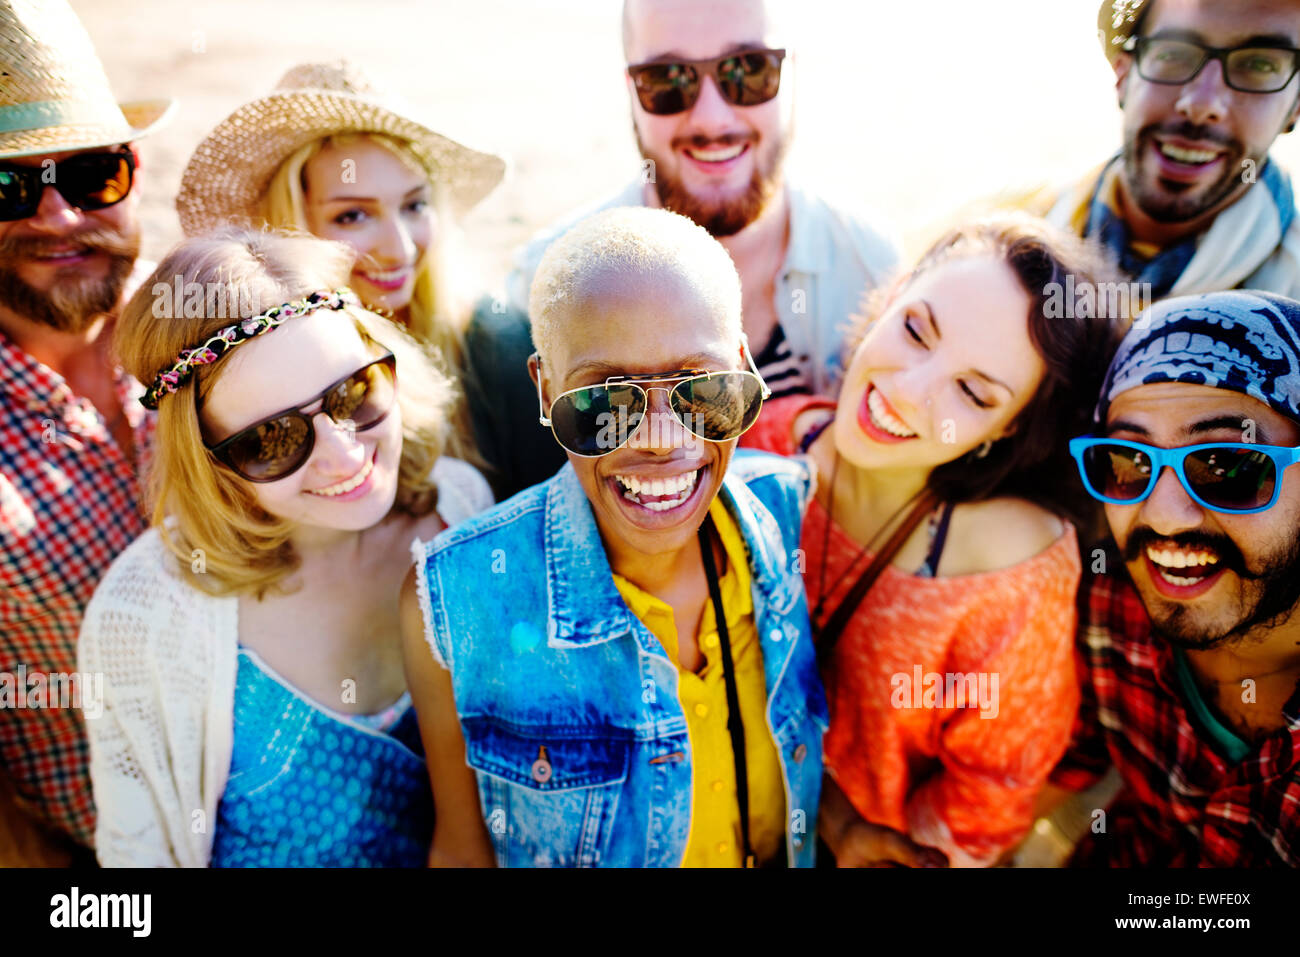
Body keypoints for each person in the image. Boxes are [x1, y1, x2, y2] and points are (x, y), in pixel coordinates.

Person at [401, 207, 827, 867]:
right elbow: (463, 845)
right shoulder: (457, 604)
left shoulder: (792, 516)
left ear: (745, 370)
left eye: (701, 387)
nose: (661, 438)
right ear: (545, 391)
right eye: (605, 401)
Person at [79, 230, 493, 866]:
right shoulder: (145, 615)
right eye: (272, 439)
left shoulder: (461, 509)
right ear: (208, 461)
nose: (346, 454)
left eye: (353, 395)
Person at [744, 214, 1125, 866]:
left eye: (973, 392)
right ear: (892, 296)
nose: (908, 390)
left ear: (1007, 430)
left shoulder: (1010, 568)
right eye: (917, 330)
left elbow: (985, 799)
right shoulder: (766, 438)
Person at [463, 0, 899, 499]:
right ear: (631, 90)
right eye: (669, 80)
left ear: (792, 71)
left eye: (748, 70)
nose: (712, 118)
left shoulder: (869, 268)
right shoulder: (541, 288)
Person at [0, 0, 174, 860]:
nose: (59, 215)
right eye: (7, 184)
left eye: (93, 172)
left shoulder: (225, 341)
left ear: (135, 169)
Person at [1047, 290, 1300, 867]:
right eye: (1129, 462)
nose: (1162, 515)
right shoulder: (1109, 606)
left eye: (1227, 466)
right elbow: (1058, 767)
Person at [175, 60, 505, 462]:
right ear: (287, 225)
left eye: (414, 205)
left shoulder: (492, 345)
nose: (399, 250)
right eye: (353, 215)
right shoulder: (240, 375)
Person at [1039, 0, 1300, 300]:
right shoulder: (998, 241)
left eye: (1259, 65)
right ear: (1123, 76)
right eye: (1174, 53)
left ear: (1296, 106)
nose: (1201, 106)